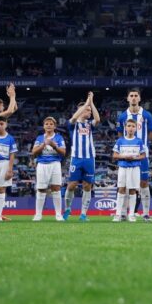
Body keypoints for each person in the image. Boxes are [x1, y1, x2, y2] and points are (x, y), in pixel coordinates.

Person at [117, 88, 152, 222]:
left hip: (141, 155)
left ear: (139, 98)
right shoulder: (123, 116)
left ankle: (146, 213)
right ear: (127, 98)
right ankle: (123, 213)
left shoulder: (147, 115)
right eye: (131, 96)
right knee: (124, 185)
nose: (133, 98)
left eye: (136, 96)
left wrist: (141, 145)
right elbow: (119, 135)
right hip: (125, 156)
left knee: (143, 183)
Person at [64, 92, 101, 222]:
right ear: (80, 111)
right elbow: (74, 118)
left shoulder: (90, 125)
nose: (89, 112)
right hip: (77, 158)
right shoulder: (73, 124)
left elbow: (98, 119)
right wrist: (86, 102)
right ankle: (68, 208)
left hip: (89, 159)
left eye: (90, 110)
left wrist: (91, 103)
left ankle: (83, 214)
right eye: (87, 110)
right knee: (72, 185)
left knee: (87, 186)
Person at [31, 117, 66, 222]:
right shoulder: (39, 138)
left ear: (54, 126)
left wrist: (54, 146)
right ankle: (38, 214)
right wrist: (43, 145)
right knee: (41, 189)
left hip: (55, 164)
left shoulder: (59, 138)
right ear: (44, 126)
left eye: (51, 124)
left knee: (56, 189)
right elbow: (34, 152)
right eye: (46, 124)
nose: (49, 125)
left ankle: (58, 215)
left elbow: (63, 152)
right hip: (42, 164)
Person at [112, 119, 146, 223]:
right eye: (129, 126)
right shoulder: (120, 140)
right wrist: (125, 156)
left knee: (132, 190)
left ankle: (131, 214)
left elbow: (143, 155)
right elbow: (114, 155)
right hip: (123, 167)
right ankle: (118, 214)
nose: (131, 128)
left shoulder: (139, 141)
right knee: (121, 189)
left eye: (133, 126)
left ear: (136, 128)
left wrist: (134, 158)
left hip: (135, 168)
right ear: (125, 128)